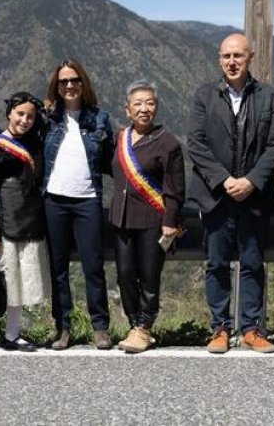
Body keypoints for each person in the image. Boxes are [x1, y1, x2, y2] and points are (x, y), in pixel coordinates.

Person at [187, 33, 274, 354]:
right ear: (219, 59)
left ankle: (251, 329)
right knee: (216, 264)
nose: (232, 62)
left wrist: (252, 181)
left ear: (250, 58)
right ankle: (219, 329)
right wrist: (225, 179)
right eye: (226, 56)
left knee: (253, 263)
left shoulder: (270, 97)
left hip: (255, 196)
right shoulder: (205, 96)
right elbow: (196, 143)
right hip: (217, 195)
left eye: (238, 56)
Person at [0, 91, 50, 352]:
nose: (24, 120)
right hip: (4, 223)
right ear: (9, 114)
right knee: (3, 280)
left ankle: (13, 334)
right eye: (19, 114)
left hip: (31, 221)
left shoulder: (35, 144)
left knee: (22, 282)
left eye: (30, 116)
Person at [41, 59, 114, 350]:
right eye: (63, 82)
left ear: (83, 83)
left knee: (93, 266)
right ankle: (63, 328)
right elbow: (17, 122)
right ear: (56, 87)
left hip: (88, 201)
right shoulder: (48, 118)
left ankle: (100, 327)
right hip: (54, 201)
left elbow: (111, 158)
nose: (69, 85)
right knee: (57, 267)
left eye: (74, 80)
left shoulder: (100, 118)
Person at [109, 80, 184, 354]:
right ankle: (134, 323)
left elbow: (175, 189)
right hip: (122, 218)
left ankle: (145, 327)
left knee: (149, 276)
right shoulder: (120, 139)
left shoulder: (168, 143)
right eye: (138, 104)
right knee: (125, 274)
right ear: (127, 109)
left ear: (157, 107)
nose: (144, 109)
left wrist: (170, 221)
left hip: (153, 220)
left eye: (149, 103)